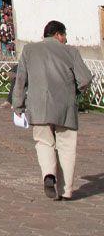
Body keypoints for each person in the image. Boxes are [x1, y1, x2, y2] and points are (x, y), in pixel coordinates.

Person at [13, 20, 93, 201]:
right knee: (66, 146)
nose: (65, 39)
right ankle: (66, 191)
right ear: (58, 34)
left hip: (38, 105)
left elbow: (21, 80)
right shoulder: (71, 51)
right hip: (65, 106)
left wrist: (18, 104)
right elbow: (86, 79)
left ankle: (49, 175)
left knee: (43, 142)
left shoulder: (29, 50)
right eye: (64, 35)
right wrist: (76, 89)